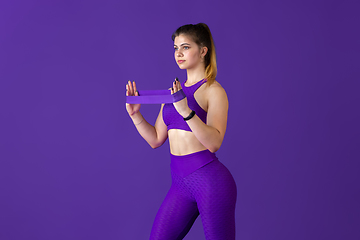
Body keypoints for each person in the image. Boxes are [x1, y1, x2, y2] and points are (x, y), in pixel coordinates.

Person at [125, 23, 237, 240]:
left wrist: (186, 111)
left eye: (185, 47)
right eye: (176, 48)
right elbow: (156, 139)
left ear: (203, 50)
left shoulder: (213, 90)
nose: (179, 53)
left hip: (210, 182)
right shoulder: (174, 92)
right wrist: (135, 115)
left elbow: (214, 142)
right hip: (179, 183)